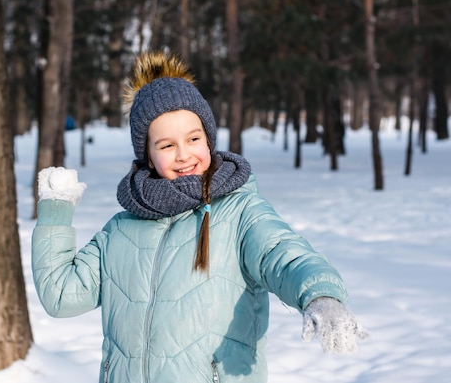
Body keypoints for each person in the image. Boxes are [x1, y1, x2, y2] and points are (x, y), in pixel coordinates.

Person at [32, 51, 368, 383]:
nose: (183, 155)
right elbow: (62, 296)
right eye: (166, 145)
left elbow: (283, 254)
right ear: (148, 155)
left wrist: (320, 293)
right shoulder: (120, 230)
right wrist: (55, 211)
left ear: (208, 139)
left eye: (193, 139)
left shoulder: (239, 213)